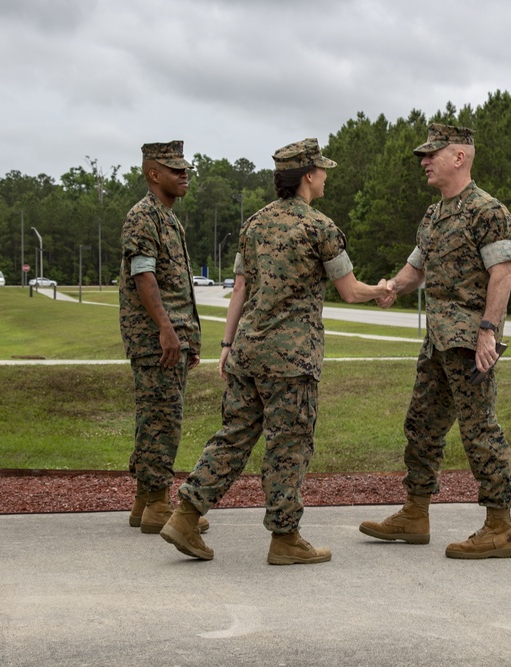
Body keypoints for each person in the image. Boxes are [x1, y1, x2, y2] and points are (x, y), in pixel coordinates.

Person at [160, 138, 391, 565]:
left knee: (233, 436)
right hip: (292, 359)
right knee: (289, 445)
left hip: (248, 351)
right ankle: (285, 539)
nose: (325, 176)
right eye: (321, 170)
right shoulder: (320, 228)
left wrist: (227, 346)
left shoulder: (254, 224)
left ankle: (185, 515)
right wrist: (382, 290)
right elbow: (350, 290)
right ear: (307, 176)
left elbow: (240, 290)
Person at [359, 123, 511, 559]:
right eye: (423, 156)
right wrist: (392, 286)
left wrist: (488, 331)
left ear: (459, 157)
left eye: (432, 154)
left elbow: (502, 275)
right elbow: (417, 269)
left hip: (470, 343)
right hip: (437, 342)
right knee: (421, 426)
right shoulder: (433, 215)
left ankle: (500, 526)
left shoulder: (487, 211)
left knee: (479, 429)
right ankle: (415, 513)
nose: (425, 161)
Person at [118, 140, 209, 536]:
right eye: (175, 170)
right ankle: (158, 503)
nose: (185, 175)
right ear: (153, 174)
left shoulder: (168, 218)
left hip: (171, 337)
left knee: (157, 415)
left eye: (186, 168)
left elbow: (176, 287)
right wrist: (167, 331)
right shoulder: (144, 217)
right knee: (162, 419)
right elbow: (144, 276)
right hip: (156, 339)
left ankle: (144, 501)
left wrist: (186, 335)